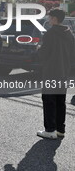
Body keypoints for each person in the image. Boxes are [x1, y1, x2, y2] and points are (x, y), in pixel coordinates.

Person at [37, 9, 75, 139]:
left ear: (54, 19)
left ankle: (50, 130)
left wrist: (38, 50)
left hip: (50, 72)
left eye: (49, 17)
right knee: (60, 101)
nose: (48, 19)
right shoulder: (69, 33)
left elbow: (43, 54)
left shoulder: (50, 33)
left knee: (49, 100)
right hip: (64, 72)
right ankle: (60, 130)